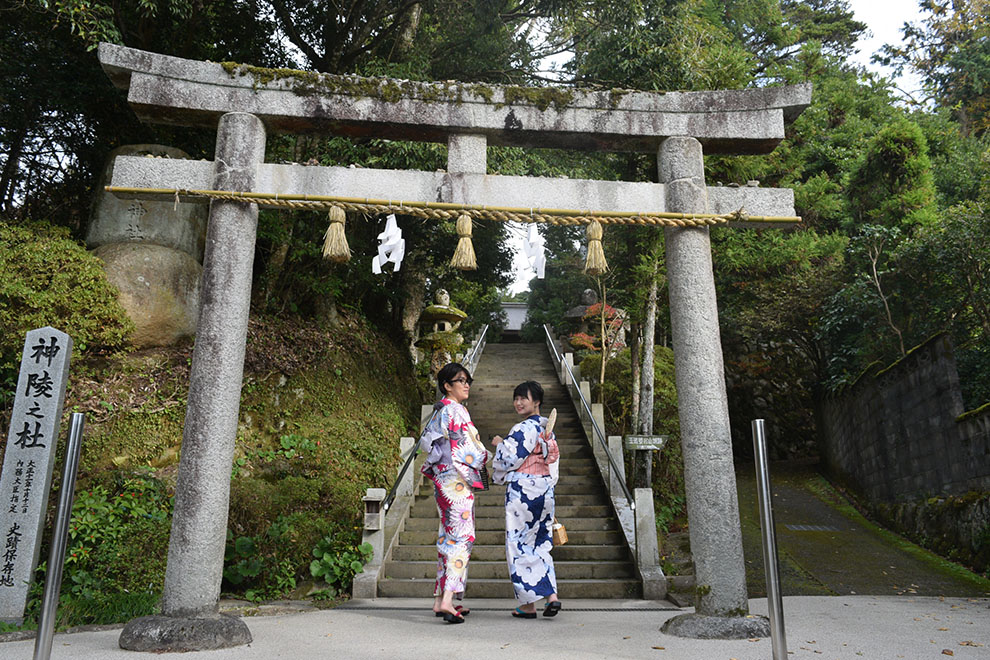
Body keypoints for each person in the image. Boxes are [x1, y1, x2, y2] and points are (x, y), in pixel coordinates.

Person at [419, 362, 488, 624]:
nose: (466, 384)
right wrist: (486, 456)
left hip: (442, 481)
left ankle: (439, 600)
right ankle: (448, 599)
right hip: (457, 481)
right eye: (461, 380)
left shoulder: (440, 411)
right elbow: (467, 450)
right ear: (447, 386)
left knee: (446, 539)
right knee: (462, 538)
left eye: (468, 380)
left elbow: (432, 447)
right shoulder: (456, 410)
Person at [491, 380, 562, 618]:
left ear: (537, 401)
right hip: (545, 489)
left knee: (518, 543)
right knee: (542, 543)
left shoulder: (524, 428)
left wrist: (500, 444)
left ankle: (528, 604)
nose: (519, 402)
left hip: (523, 490)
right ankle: (551, 596)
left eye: (524, 398)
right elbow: (553, 465)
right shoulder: (548, 431)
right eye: (516, 398)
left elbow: (507, 459)